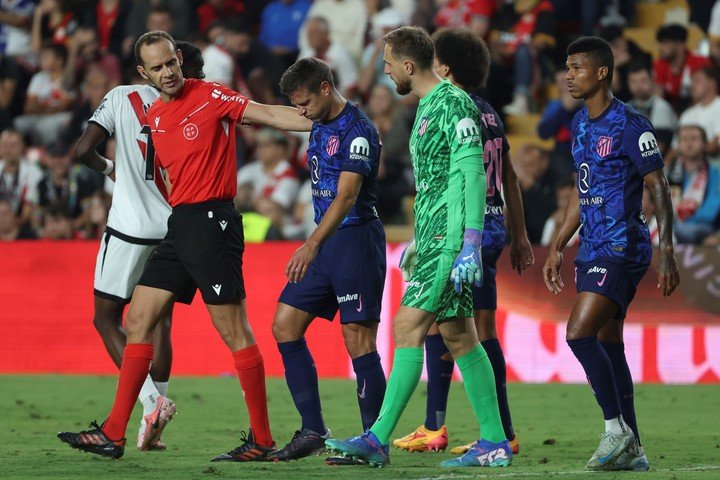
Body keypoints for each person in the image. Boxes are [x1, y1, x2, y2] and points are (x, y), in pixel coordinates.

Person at [57, 30, 312, 461]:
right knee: (138, 317)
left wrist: (328, 118)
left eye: (171, 63)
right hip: (182, 225)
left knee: (234, 331)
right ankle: (114, 433)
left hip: (213, 223)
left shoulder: (211, 95)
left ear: (179, 58)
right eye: (156, 68)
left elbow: (268, 114)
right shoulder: (155, 116)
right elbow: (172, 178)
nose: (167, 73)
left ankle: (263, 440)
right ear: (144, 73)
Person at [325, 26, 512, 469]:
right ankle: (495, 440)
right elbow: (437, 183)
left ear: (409, 65)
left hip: (450, 241)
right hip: (433, 238)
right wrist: (417, 238)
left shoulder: (454, 103)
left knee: (407, 328)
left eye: (388, 63)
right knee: (459, 336)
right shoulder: (429, 106)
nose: (385, 71)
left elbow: (472, 175)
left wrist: (469, 242)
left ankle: (377, 438)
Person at [57, 40, 206, 453]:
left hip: (128, 229)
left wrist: (110, 169)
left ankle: (151, 402)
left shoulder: (121, 97)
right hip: (174, 229)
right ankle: (151, 416)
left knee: (107, 319)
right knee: (160, 324)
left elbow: (83, 150)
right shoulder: (195, 106)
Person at [392, 27, 533, 457]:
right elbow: (507, 174)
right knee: (465, 327)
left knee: (448, 327)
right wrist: (520, 232)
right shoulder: (488, 111)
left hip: (464, 228)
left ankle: (449, 426)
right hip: (492, 222)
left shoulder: (454, 108)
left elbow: (470, 173)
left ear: (444, 66)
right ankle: (494, 430)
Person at [543, 37, 680, 471]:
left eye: (577, 67)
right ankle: (634, 448)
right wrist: (558, 244)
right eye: (567, 66)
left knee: (578, 334)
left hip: (623, 246)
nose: (568, 75)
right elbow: (578, 194)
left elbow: (658, 186)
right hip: (592, 246)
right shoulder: (581, 125)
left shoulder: (630, 124)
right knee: (609, 344)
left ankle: (614, 431)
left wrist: (667, 252)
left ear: (602, 72)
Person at [266, 57, 386, 462]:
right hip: (326, 243)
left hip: (354, 240)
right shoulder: (317, 119)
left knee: (358, 341)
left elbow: (348, 196)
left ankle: (373, 441)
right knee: (285, 325)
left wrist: (311, 244)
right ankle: (313, 429)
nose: (301, 111)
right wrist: (243, 113)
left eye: (304, 102)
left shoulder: (358, 131)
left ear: (323, 88)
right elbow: (283, 117)